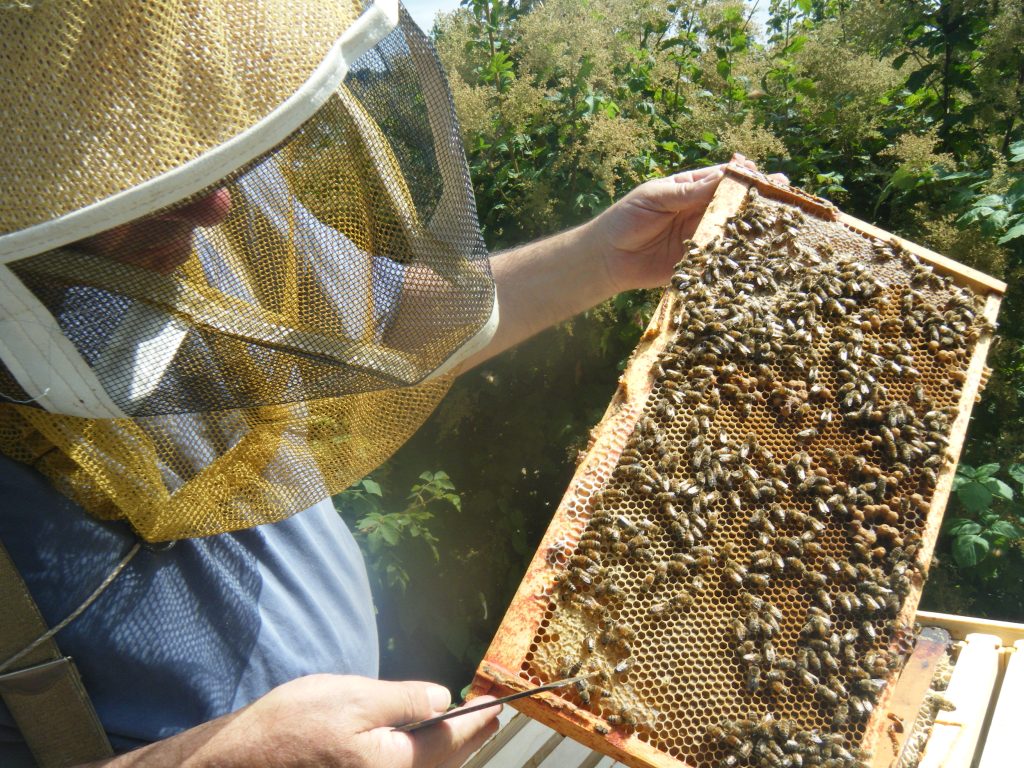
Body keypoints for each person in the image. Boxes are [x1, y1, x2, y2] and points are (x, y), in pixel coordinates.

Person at [0, 1, 772, 766]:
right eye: (115, 174)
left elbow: (395, 330)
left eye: (174, 146)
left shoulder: (206, 203)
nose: (216, 201)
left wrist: (603, 257)